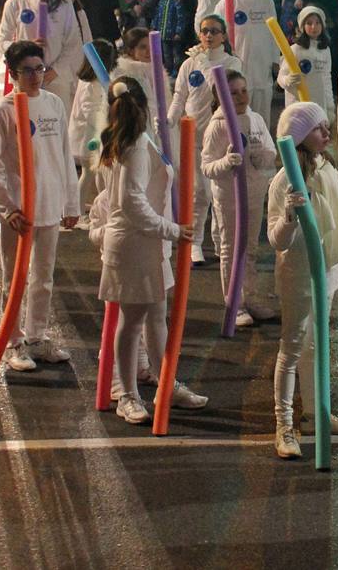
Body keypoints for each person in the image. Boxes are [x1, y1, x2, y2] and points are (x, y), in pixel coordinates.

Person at [91, 76, 207, 424]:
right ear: (143, 106)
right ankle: (127, 394)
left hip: (144, 243)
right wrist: (172, 230)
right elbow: (131, 202)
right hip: (136, 244)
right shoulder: (136, 143)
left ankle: (165, 383)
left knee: (155, 317)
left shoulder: (124, 140)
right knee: (132, 321)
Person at [0, 41, 81, 372]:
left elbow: (65, 156)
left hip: (50, 206)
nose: (35, 75)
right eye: (27, 70)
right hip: (19, 213)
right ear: (13, 74)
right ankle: (14, 342)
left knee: (44, 277)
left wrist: (71, 202)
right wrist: (7, 208)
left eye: (39, 68)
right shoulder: (4, 110)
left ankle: (37, 337)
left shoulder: (53, 103)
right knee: (15, 279)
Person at [267, 101, 338, 459]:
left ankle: (316, 412)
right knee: (293, 346)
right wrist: (288, 215)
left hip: (328, 271)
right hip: (300, 275)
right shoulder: (285, 180)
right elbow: (277, 241)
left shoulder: (327, 166)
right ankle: (283, 424)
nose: (327, 133)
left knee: (318, 345)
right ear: (300, 137)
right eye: (318, 129)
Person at [201, 69, 278, 328]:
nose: (241, 96)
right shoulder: (217, 125)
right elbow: (207, 166)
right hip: (229, 197)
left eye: (243, 90)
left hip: (255, 193)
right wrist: (226, 162)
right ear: (221, 96)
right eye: (233, 92)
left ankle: (251, 296)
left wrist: (262, 156)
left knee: (251, 249)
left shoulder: (255, 119)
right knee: (231, 249)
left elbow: (270, 150)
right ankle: (235, 302)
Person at [168, 14, 242, 262]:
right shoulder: (190, 63)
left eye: (213, 31)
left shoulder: (232, 63)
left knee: (220, 193)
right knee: (199, 192)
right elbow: (179, 95)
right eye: (204, 31)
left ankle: (221, 242)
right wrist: (169, 119)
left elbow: (236, 96)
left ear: (223, 35)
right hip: (192, 136)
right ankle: (195, 243)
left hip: (219, 135)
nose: (208, 35)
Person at [0, 0, 84, 108]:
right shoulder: (14, 3)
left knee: (55, 124)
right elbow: (3, 40)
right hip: (25, 76)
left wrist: (55, 71)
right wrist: (26, 47)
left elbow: (73, 41)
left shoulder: (62, 2)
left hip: (55, 78)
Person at [206, 0, 280, 127]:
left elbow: (275, 34)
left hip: (262, 71)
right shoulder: (224, 5)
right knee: (240, 123)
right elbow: (218, 39)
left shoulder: (266, 1)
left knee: (262, 123)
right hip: (238, 72)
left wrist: (276, 62)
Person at [70, 39, 117, 224]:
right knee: (90, 175)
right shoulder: (92, 84)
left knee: (93, 175)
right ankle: (79, 212)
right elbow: (90, 112)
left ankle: (87, 208)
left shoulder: (88, 80)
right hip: (89, 138)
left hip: (89, 137)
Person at [277, 5, 335, 117]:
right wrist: (288, 80)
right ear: (302, 26)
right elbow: (281, 77)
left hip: (318, 107)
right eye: (309, 23)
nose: (314, 27)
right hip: (297, 107)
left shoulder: (325, 50)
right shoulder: (294, 50)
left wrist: (330, 108)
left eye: (318, 22)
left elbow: (327, 80)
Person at [152, 0, 189, 76]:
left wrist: (179, 32)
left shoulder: (177, 1)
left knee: (177, 54)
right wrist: (154, 26)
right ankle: (168, 70)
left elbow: (181, 18)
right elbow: (157, 15)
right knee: (166, 55)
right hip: (163, 35)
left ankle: (177, 71)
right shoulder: (162, 0)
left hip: (174, 36)